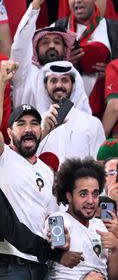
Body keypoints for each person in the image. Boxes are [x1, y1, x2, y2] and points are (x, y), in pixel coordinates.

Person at [48, 158, 118, 279]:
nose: (91, 201)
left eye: (95, 194)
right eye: (83, 194)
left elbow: (117, 278)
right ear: (69, 196)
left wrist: (115, 249)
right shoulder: (59, 219)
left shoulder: (101, 225)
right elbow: (56, 246)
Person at [0, 103, 57, 280]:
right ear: (9, 133)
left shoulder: (46, 171)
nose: (28, 129)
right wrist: (1, 82)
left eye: (33, 123)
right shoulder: (4, 156)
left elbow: (48, 213)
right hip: (9, 264)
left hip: (41, 263)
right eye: (21, 123)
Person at [37, 61, 105, 161]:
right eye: (53, 80)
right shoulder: (37, 124)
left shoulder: (92, 123)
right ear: (45, 86)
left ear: (73, 85)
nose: (59, 85)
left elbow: (100, 163)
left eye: (64, 80)